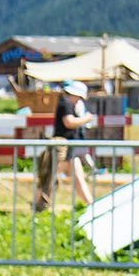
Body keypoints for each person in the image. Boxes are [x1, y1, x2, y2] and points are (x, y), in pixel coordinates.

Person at [34, 79, 96, 211]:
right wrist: (86, 119)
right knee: (49, 176)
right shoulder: (65, 103)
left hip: (68, 147)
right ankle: (39, 203)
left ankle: (91, 204)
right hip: (62, 147)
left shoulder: (67, 104)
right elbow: (69, 122)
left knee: (77, 177)